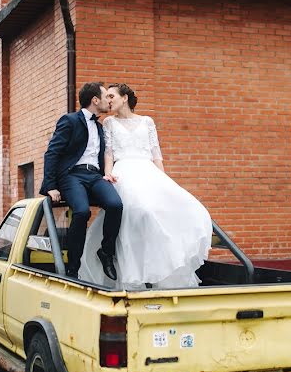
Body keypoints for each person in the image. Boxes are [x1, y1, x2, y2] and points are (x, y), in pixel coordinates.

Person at [79, 84, 212, 290]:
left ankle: (162, 264)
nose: (109, 100)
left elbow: (156, 153)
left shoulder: (147, 121)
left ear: (125, 98)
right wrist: (108, 173)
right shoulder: (109, 123)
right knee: (141, 211)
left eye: (113, 96)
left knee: (185, 207)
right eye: (108, 97)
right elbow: (109, 153)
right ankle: (130, 269)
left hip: (148, 171)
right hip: (124, 171)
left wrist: (164, 181)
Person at [39, 82, 123, 280]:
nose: (108, 102)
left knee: (115, 204)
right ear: (95, 100)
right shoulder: (69, 121)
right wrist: (50, 186)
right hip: (72, 175)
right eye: (105, 97)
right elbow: (52, 152)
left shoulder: (101, 127)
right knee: (82, 211)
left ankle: (106, 253)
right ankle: (73, 268)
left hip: (95, 176)